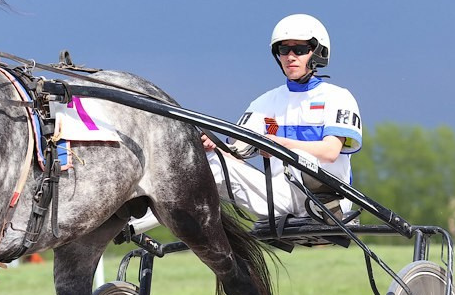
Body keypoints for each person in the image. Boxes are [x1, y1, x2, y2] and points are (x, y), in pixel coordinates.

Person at [130, 13, 362, 233]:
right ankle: (134, 223)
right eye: (284, 49)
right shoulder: (264, 102)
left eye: (300, 49)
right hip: (279, 198)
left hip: (327, 200)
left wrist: (277, 145)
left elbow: (331, 152)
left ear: (318, 52)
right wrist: (216, 147)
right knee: (210, 163)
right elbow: (238, 152)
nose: (291, 56)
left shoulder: (338, 96)